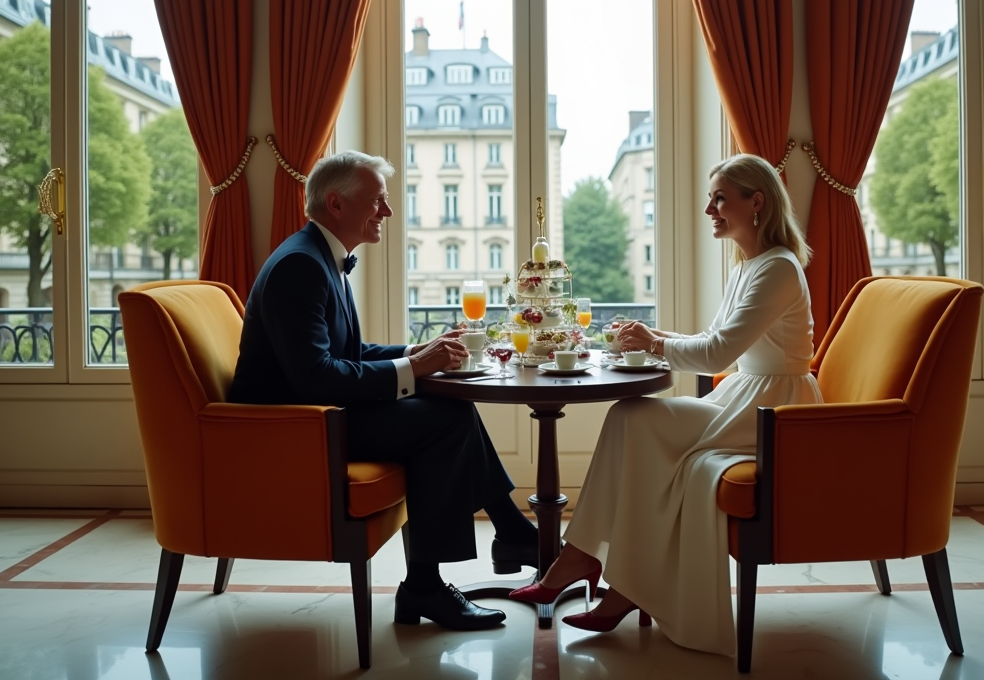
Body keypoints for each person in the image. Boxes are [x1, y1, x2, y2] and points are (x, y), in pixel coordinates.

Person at [511, 153, 822, 655]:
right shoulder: (753, 265)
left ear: (756, 202)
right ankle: (594, 567)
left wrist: (653, 344)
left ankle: (592, 569)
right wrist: (652, 335)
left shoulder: (778, 269)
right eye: (711, 197)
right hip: (747, 395)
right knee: (632, 414)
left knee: (640, 422)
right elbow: (717, 339)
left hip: (776, 411)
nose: (710, 208)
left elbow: (718, 352)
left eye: (721, 197)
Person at [228, 151, 539, 632]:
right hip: (295, 429)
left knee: (447, 402)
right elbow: (317, 377)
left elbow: (347, 351)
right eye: (379, 201)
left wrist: (421, 349)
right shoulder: (301, 266)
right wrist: (415, 365)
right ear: (336, 203)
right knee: (444, 419)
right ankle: (449, 572)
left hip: (318, 414)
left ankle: (502, 536)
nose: (388, 213)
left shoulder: (318, 256)